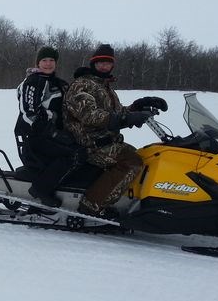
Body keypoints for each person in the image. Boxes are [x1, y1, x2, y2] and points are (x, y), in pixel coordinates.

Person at [63, 44, 168, 219]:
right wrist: (124, 119)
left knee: (147, 156)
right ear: (93, 64)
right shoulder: (82, 85)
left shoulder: (105, 87)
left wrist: (137, 107)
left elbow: (116, 114)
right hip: (89, 144)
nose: (104, 66)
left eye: (107, 63)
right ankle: (91, 206)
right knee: (132, 162)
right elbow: (90, 116)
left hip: (106, 141)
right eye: (100, 63)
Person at [15, 46, 86, 207]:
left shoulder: (55, 82)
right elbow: (29, 114)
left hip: (52, 134)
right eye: (44, 60)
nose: (48, 64)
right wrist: (55, 134)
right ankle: (41, 189)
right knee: (73, 154)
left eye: (52, 60)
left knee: (83, 149)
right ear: (38, 63)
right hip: (34, 137)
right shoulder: (33, 82)